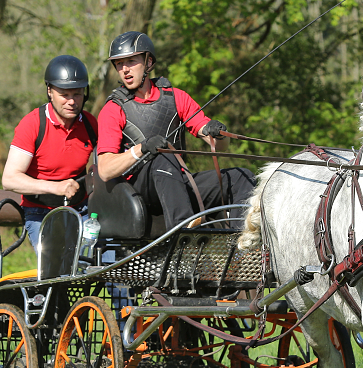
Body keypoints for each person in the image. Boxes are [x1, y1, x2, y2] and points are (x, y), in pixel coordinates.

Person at [95, 31, 255, 230]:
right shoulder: (113, 109)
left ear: (148, 62)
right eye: (119, 64)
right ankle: (185, 232)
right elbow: (104, 170)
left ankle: (239, 245)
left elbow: (219, 145)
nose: (125, 69)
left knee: (241, 176)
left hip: (178, 183)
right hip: (141, 191)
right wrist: (142, 148)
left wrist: (217, 132)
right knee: (164, 157)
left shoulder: (176, 97)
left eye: (131, 61)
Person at [2, 55, 98, 246]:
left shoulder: (90, 123)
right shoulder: (32, 125)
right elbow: (9, 179)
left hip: (82, 209)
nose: (71, 101)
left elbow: (101, 162)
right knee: (58, 267)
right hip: (40, 212)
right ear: (50, 91)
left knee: (104, 260)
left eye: (77, 94)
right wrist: (55, 187)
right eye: (64, 95)